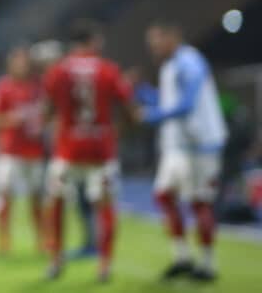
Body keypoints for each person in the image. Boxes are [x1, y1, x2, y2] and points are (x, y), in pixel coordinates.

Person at [42, 20, 139, 282]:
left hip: (67, 149)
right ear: (93, 41)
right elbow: (130, 110)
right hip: (101, 149)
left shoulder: (58, 71)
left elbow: (47, 111)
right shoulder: (108, 70)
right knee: (105, 206)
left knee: (56, 203)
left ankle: (55, 260)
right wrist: (117, 129)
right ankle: (104, 265)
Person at [139, 21, 228, 282]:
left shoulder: (189, 62)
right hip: (179, 147)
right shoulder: (169, 66)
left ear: (172, 37)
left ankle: (208, 265)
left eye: (156, 40)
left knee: (200, 203)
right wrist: (143, 93)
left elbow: (187, 105)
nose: (152, 47)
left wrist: (151, 116)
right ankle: (182, 258)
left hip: (201, 145)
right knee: (164, 196)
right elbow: (171, 103)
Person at [0, 44, 45, 254]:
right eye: (18, 60)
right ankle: (3, 240)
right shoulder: (3, 87)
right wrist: (12, 119)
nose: (22, 65)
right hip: (9, 151)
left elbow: (48, 114)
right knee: (4, 196)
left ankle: (42, 239)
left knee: (36, 197)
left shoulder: (39, 87)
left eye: (25, 60)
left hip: (34, 151)